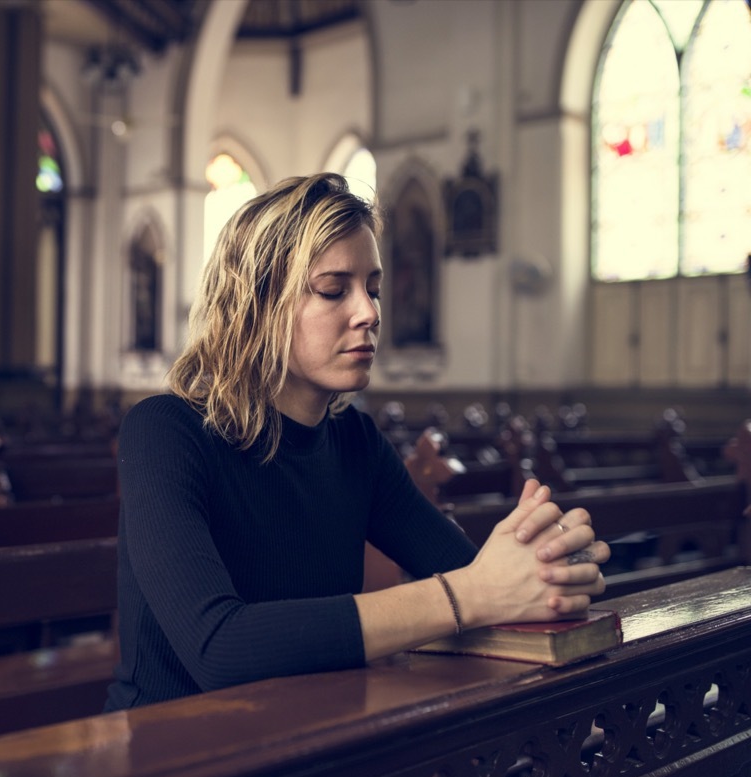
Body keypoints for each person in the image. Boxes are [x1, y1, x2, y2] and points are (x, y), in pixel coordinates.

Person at [103, 173, 608, 711]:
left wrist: (547, 563)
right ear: (257, 302)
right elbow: (220, 649)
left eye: (373, 287)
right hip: (170, 754)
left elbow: (477, 576)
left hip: (307, 739)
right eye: (333, 289)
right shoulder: (164, 432)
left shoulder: (355, 443)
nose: (369, 312)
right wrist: (468, 596)